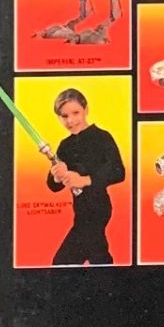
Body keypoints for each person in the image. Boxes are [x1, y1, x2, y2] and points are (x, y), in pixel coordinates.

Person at [44, 88, 126, 265]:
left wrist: (85, 180)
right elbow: (53, 186)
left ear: (86, 110)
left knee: (62, 262)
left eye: (75, 113)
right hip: (80, 211)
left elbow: (119, 171)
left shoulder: (102, 137)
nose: (70, 120)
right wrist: (56, 176)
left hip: (98, 208)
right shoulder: (64, 145)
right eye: (64, 116)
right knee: (98, 254)